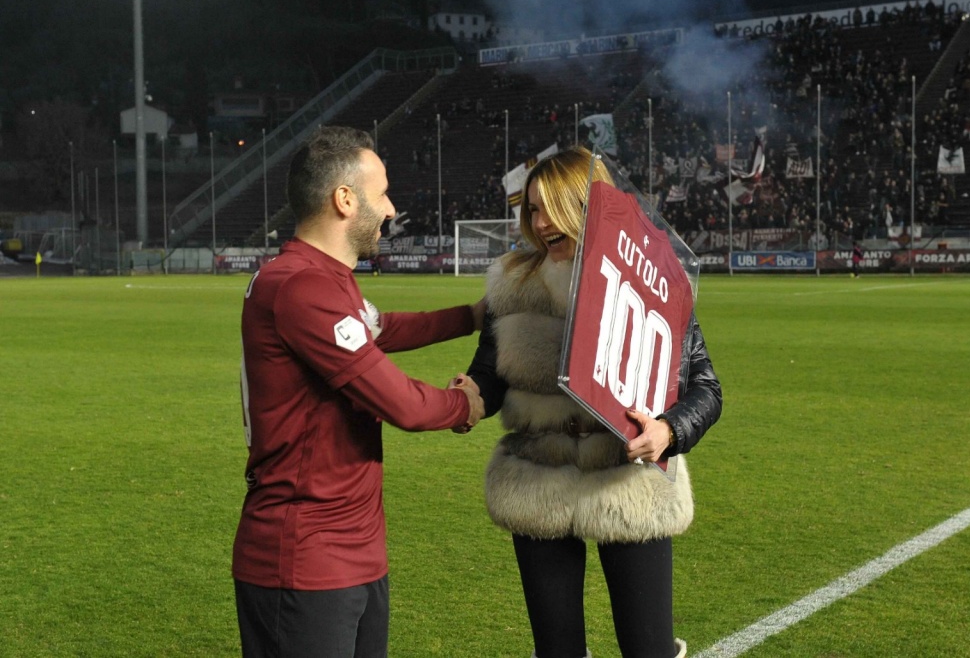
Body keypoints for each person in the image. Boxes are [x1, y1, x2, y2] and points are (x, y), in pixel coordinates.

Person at [233, 126, 485, 658]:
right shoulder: (301, 286)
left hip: (353, 552)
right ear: (345, 199)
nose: (391, 208)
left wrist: (474, 317)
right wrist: (469, 404)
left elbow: (382, 328)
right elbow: (400, 403)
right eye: (383, 192)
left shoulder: (324, 278)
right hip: (304, 558)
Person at [463, 147, 722, 658]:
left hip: (629, 481)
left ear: (588, 206)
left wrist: (667, 432)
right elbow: (489, 373)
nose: (539, 223)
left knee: (648, 649)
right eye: (531, 210)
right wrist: (467, 395)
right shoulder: (512, 284)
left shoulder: (652, 279)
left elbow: (706, 389)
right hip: (539, 477)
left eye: (549, 208)